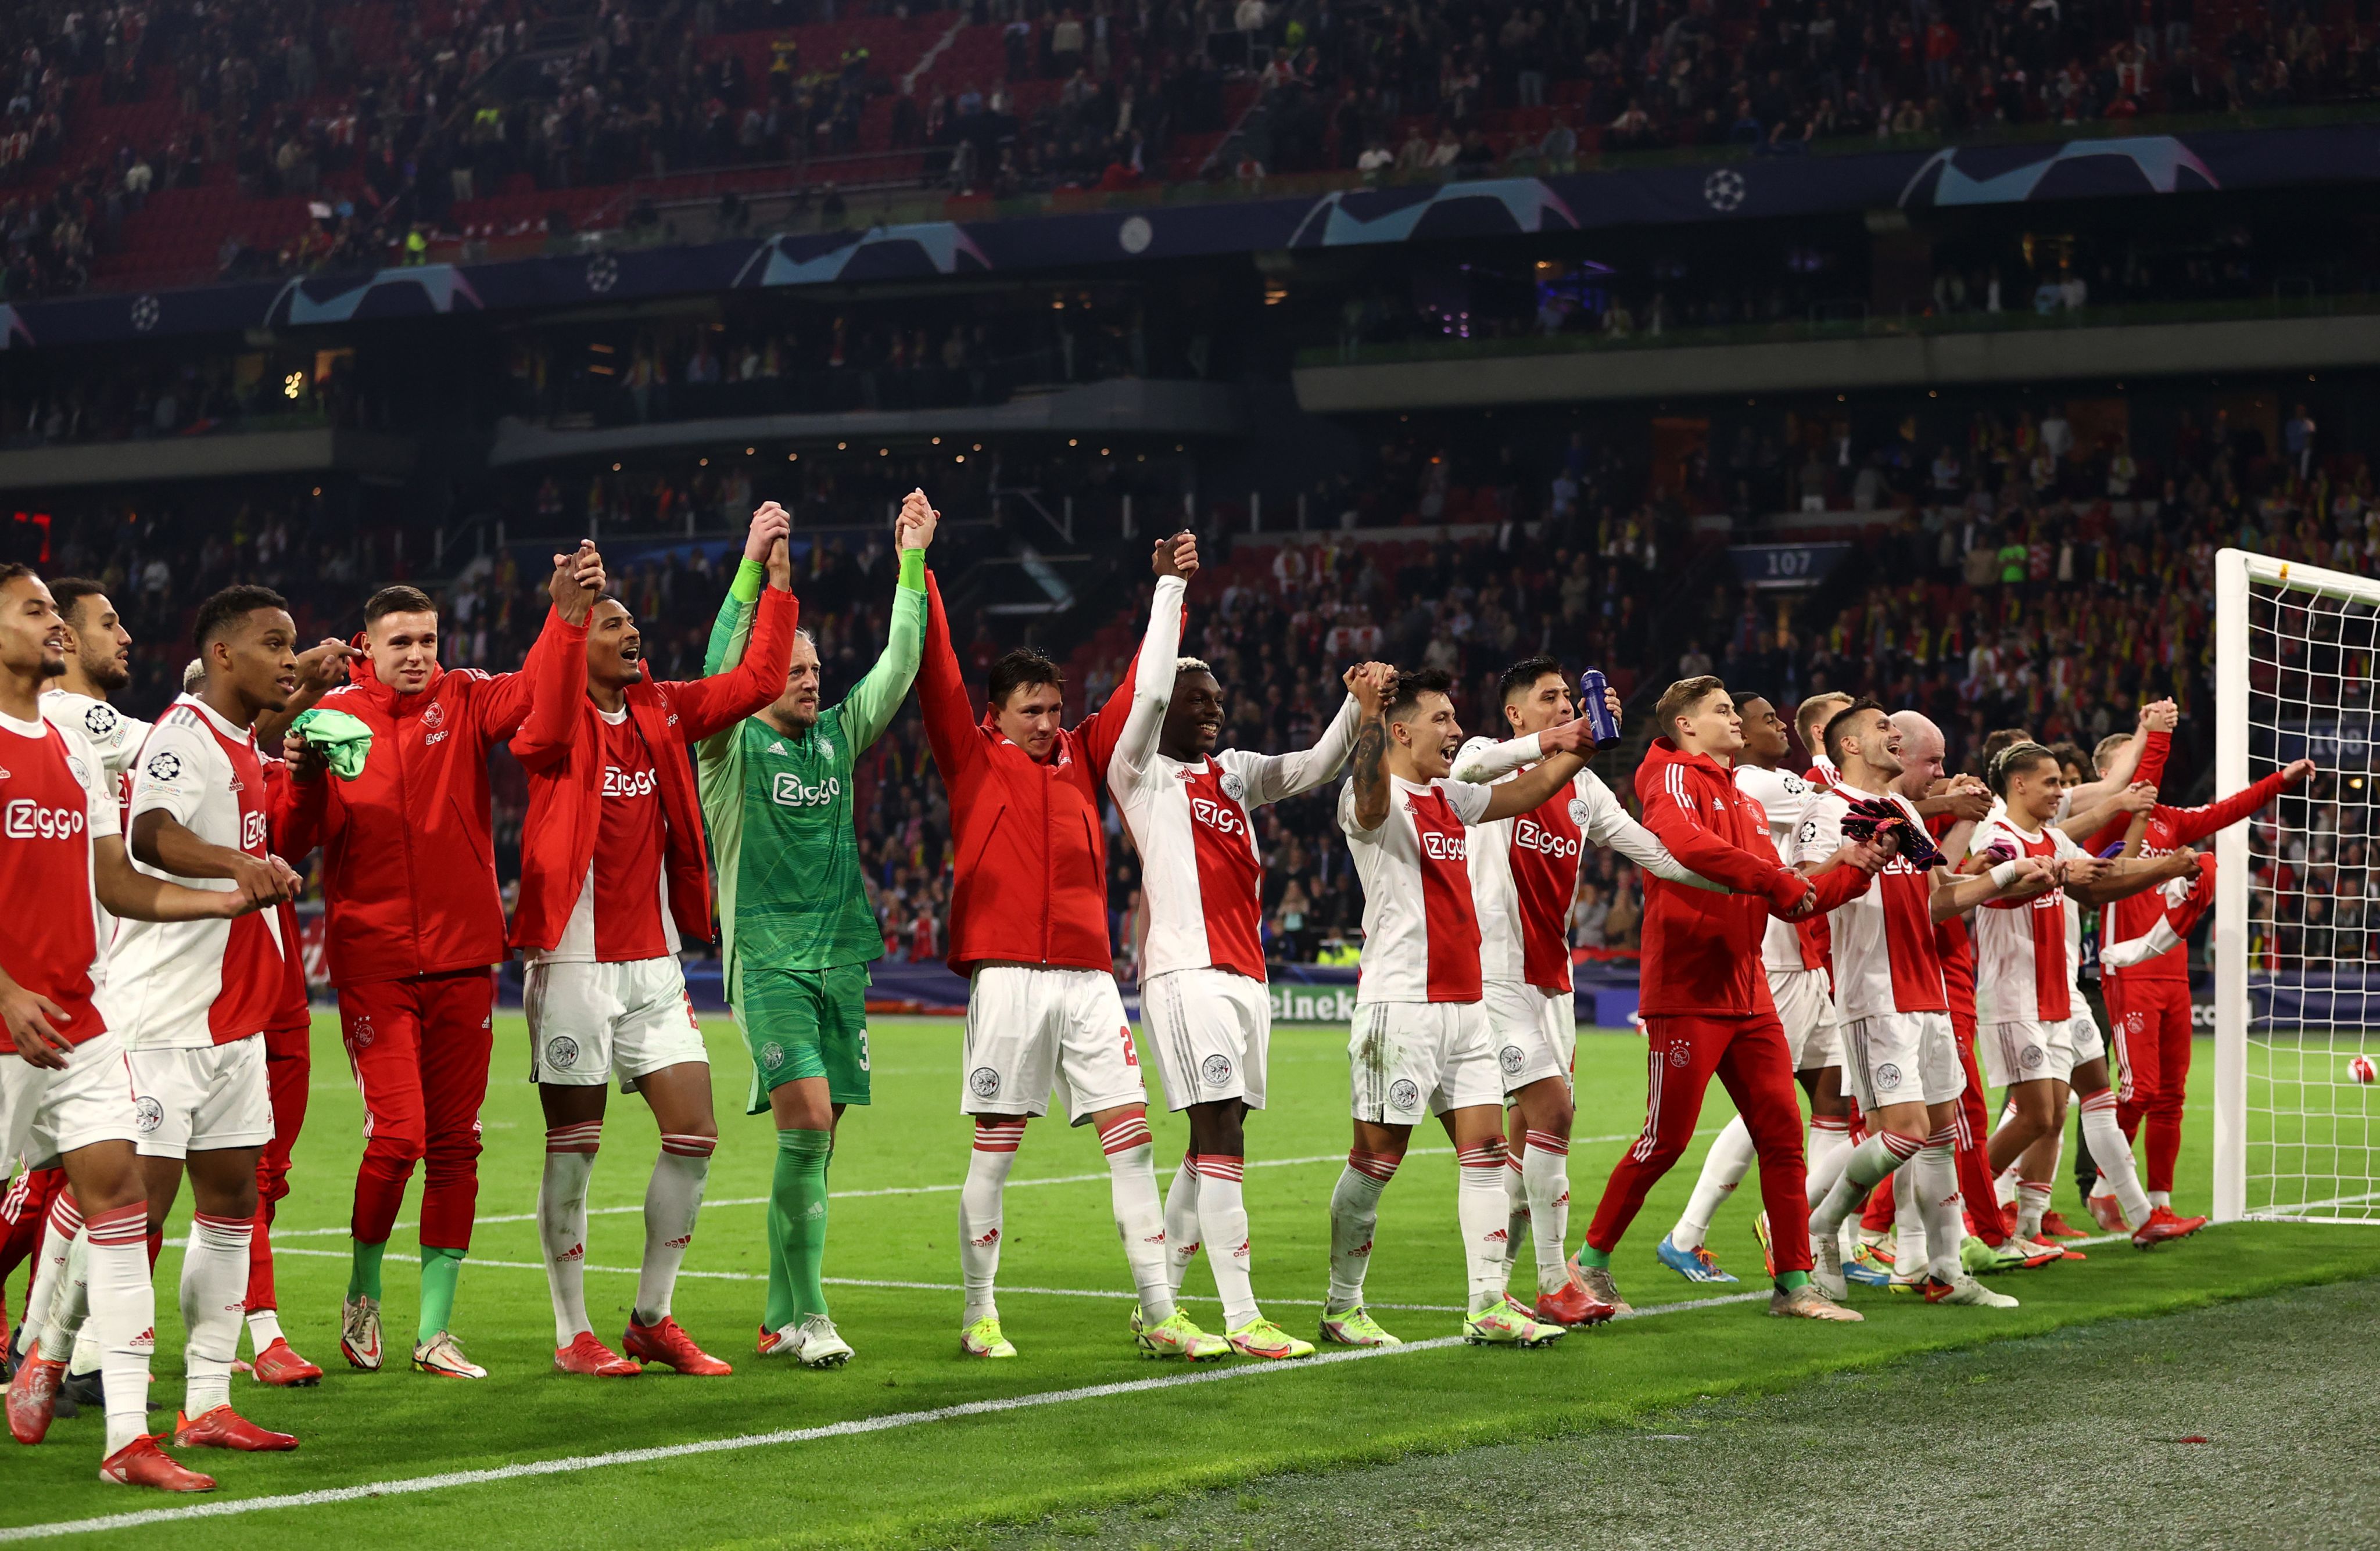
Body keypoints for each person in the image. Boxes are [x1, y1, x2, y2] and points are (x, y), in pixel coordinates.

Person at [281, 544, 607, 1379]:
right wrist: (305, 777)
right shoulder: (328, 719)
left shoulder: (463, 697)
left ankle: (434, 1332)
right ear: (367, 645)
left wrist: (566, 616)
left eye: (428, 638)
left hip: (464, 958)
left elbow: (539, 697)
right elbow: (290, 839)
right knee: (399, 1137)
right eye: (402, 642)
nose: (419, 654)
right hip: (375, 961)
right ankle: (362, 1293)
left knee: (457, 1143)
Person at [920, 521, 1223, 1362]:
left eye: (1055, 709)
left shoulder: (1085, 755)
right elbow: (936, 671)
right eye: (1032, 711)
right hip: (1008, 977)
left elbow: (1145, 689)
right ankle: (980, 1314)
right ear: (995, 714)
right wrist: (919, 566)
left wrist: (1169, 590)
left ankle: (1159, 1312)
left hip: (1090, 980)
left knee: (1133, 1143)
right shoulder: (971, 757)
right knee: (995, 1154)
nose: (1049, 723)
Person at [511, 505, 796, 1379]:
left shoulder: (662, 709)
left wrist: (770, 574)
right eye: (611, 624)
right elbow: (538, 726)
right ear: (578, 640)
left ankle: (651, 1317)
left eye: (632, 621)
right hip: (573, 959)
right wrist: (566, 616)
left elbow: (757, 679)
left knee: (695, 1132)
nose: (631, 632)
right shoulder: (554, 719)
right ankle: (573, 1332)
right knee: (576, 1149)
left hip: (654, 961)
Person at [41, 585, 310, 1456]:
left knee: (231, 1203)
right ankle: (49, 1348)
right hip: (162, 1019)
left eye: (293, 643)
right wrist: (239, 864)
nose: (288, 659)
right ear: (223, 654)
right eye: (275, 644)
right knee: (137, 1210)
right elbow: (151, 835)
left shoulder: (242, 742)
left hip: (232, 1022)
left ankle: (206, 1403)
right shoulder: (183, 735)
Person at [696, 493, 932, 1367]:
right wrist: (752, 570)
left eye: (815, 668)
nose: (810, 679)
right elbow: (721, 665)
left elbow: (898, 666)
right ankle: (815, 1314)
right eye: (793, 668)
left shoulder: (836, 736)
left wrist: (912, 561)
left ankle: (777, 1316)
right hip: (767, 958)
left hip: (840, 959)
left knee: (818, 1142)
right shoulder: (726, 748)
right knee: (806, 1124)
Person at [1570, 677, 1874, 1322]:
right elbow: (1687, 845)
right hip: (1687, 988)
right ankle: (1590, 1261)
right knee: (1666, 1139)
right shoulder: (1670, 775)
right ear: (1686, 725)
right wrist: (1772, 879)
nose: (1736, 718)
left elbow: (1787, 895)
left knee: (1782, 1135)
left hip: (1749, 988)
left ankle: (1794, 1284)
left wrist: (1855, 872)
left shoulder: (1741, 799)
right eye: (1722, 710)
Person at [1327, 665, 1613, 1350]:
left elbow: (1530, 789)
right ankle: (1341, 1306)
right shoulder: (1371, 796)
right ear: (1401, 732)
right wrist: (1367, 715)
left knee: (1485, 1153)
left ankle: (1487, 1304)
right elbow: (1370, 801)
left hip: (1466, 1006)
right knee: (1377, 1160)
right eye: (1442, 720)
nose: (1457, 730)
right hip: (1401, 1008)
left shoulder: (1450, 798)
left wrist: (1583, 743)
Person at [1116, 629, 1370, 1362]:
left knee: (1213, 1142)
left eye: (1219, 703)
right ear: (1163, 709)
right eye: (1198, 702)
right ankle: (1242, 1315)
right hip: (1185, 972)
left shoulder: (1234, 774)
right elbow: (1148, 695)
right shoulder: (1139, 773)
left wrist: (1356, 707)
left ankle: (1158, 1306)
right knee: (1221, 1132)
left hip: (1245, 978)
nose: (1214, 713)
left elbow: (1316, 765)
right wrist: (1170, 600)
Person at [1450, 658, 1722, 1324]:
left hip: (1554, 984)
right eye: (1549, 698)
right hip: (1493, 974)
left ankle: (1496, 1290)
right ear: (1515, 714)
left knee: (1530, 1143)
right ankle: (1554, 1281)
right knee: (1554, 1114)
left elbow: (1655, 854)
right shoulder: (1486, 754)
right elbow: (1467, 772)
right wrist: (1561, 740)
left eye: (1568, 697)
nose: (1565, 705)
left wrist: (1750, 882)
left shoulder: (1584, 788)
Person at [1797, 699, 2054, 1308]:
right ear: (1850, 745)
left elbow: (1936, 901)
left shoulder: (1906, 809)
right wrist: (1855, 863)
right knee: (1905, 1134)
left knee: (1938, 1135)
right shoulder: (1825, 811)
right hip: (1873, 995)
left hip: (1928, 994)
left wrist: (2006, 877)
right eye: (1882, 727)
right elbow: (1804, 895)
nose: (1893, 734)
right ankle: (1819, 1224)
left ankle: (1944, 1271)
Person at [1660, 692, 1870, 1283]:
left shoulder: (1777, 784)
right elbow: (1853, 806)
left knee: (1833, 1101)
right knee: (1768, 1108)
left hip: (1804, 959)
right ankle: (1687, 1234)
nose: (1777, 727)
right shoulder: (1756, 782)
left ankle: (1830, 1243)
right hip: (1773, 962)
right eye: (1765, 720)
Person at [1972, 741, 2205, 1252]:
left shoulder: (2053, 838)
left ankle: (2138, 1217)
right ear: (2019, 784)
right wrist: (2059, 872)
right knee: (2037, 1116)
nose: (2061, 792)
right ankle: (1969, 1215)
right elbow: (1996, 889)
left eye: (2062, 782)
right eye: (2052, 782)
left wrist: (2167, 869)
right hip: (2016, 997)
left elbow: (2099, 884)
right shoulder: (1998, 835)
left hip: (2063, 993)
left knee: (2093, 1100)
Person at [2088, 726, 2312, 1229]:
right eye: (2131, 763)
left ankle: (2161, 1201)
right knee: (2139, 1091)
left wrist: (2280, 780)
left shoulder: (2170, 821)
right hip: (2128, 970)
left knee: (2171, 1095)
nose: (2143, 771)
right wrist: (2157, 737)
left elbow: (2225, 811)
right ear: (2107, 776)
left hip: (2174, 974)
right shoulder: (2109, 824)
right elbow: (2140, 786)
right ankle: (2105, 1188)